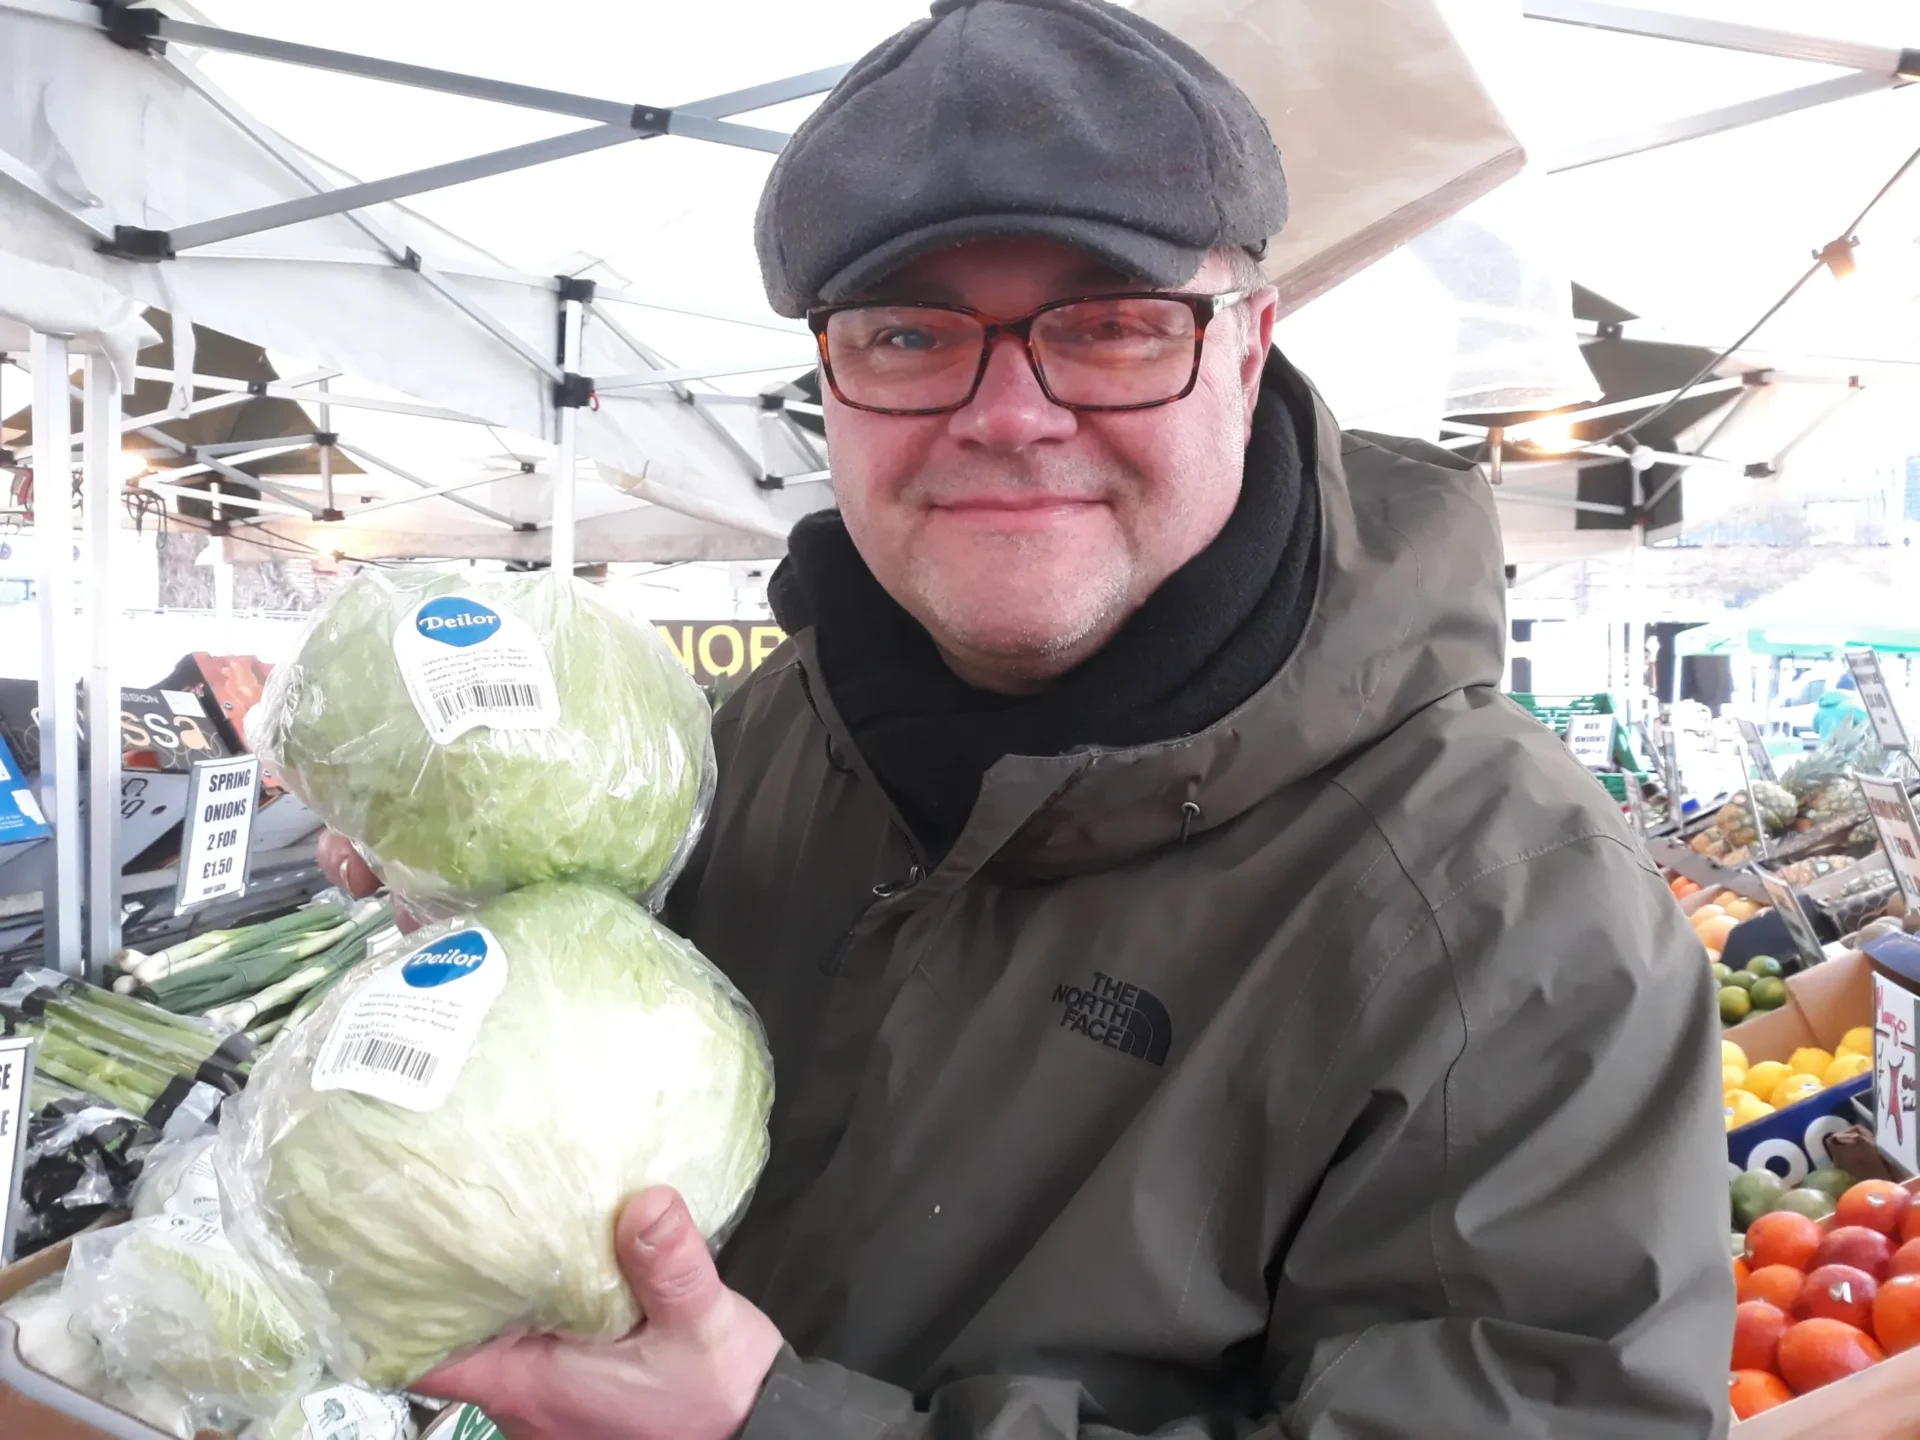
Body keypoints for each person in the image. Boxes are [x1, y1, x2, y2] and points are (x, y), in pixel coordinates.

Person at [325, 1, 1733, 1434]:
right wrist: (496, 949)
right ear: (833, 380)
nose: (1007, 413)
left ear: (1249, 350)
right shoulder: (746, 752)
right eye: (909, 332)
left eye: (1115, 324)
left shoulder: (1504, 909)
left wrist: (771, 1426)